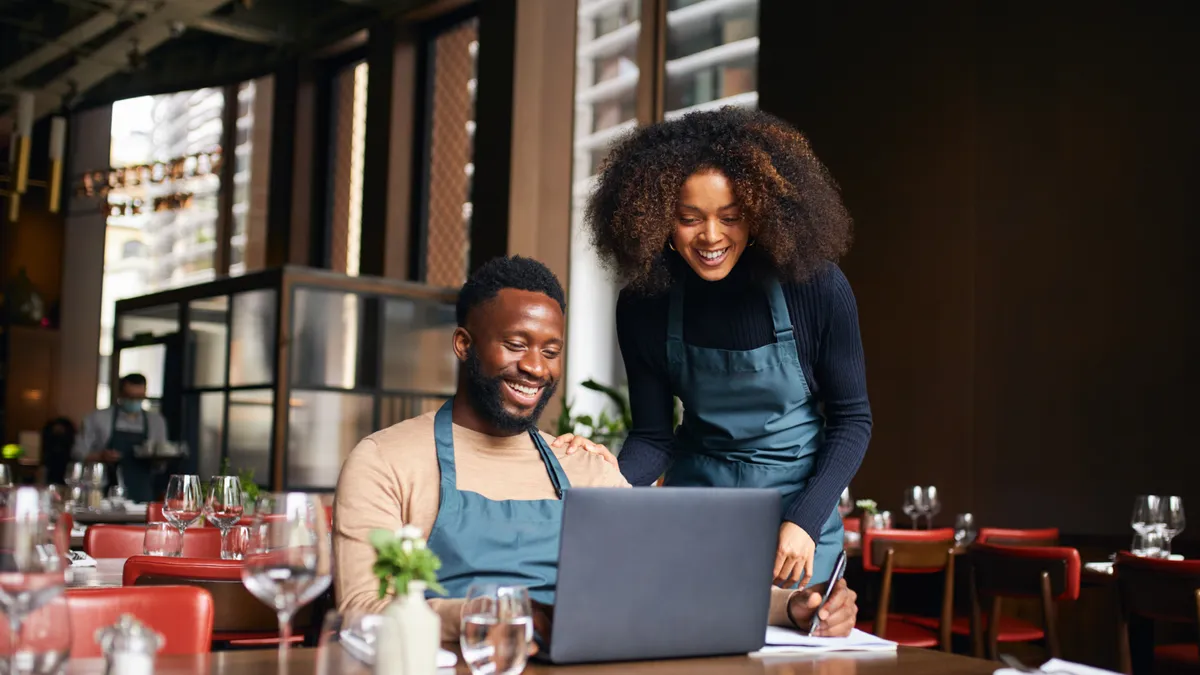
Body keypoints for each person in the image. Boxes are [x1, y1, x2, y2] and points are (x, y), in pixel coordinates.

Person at [334, 256, 858, 640]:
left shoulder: (580, 465)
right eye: (516, 345)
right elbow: (360, 611)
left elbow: (674, 585)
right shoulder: (386, 461)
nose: (536, 367)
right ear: (464, 345)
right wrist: (496, 618)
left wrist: (794, 607)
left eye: (551, 351)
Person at [564, 107, 872, 591]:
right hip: (694, 515)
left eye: (730, 217)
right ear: (659, 219)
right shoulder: (645, 305)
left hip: (795, 525)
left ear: (759, 214)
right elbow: (653, 438)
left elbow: (853, 420)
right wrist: (607, 480)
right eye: (689, 219)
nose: (711, 237)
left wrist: (807, 520)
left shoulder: (815, 287)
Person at [72, 373, 167, 502]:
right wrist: (100, 456)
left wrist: (158, 458)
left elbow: (161, 465)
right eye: (130, 397)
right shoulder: (97, 418)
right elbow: (77, 453)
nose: (135, 401)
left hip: (142, 493)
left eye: (139, 397)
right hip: (103, 491)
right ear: (120, 395)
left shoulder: (156, 422)